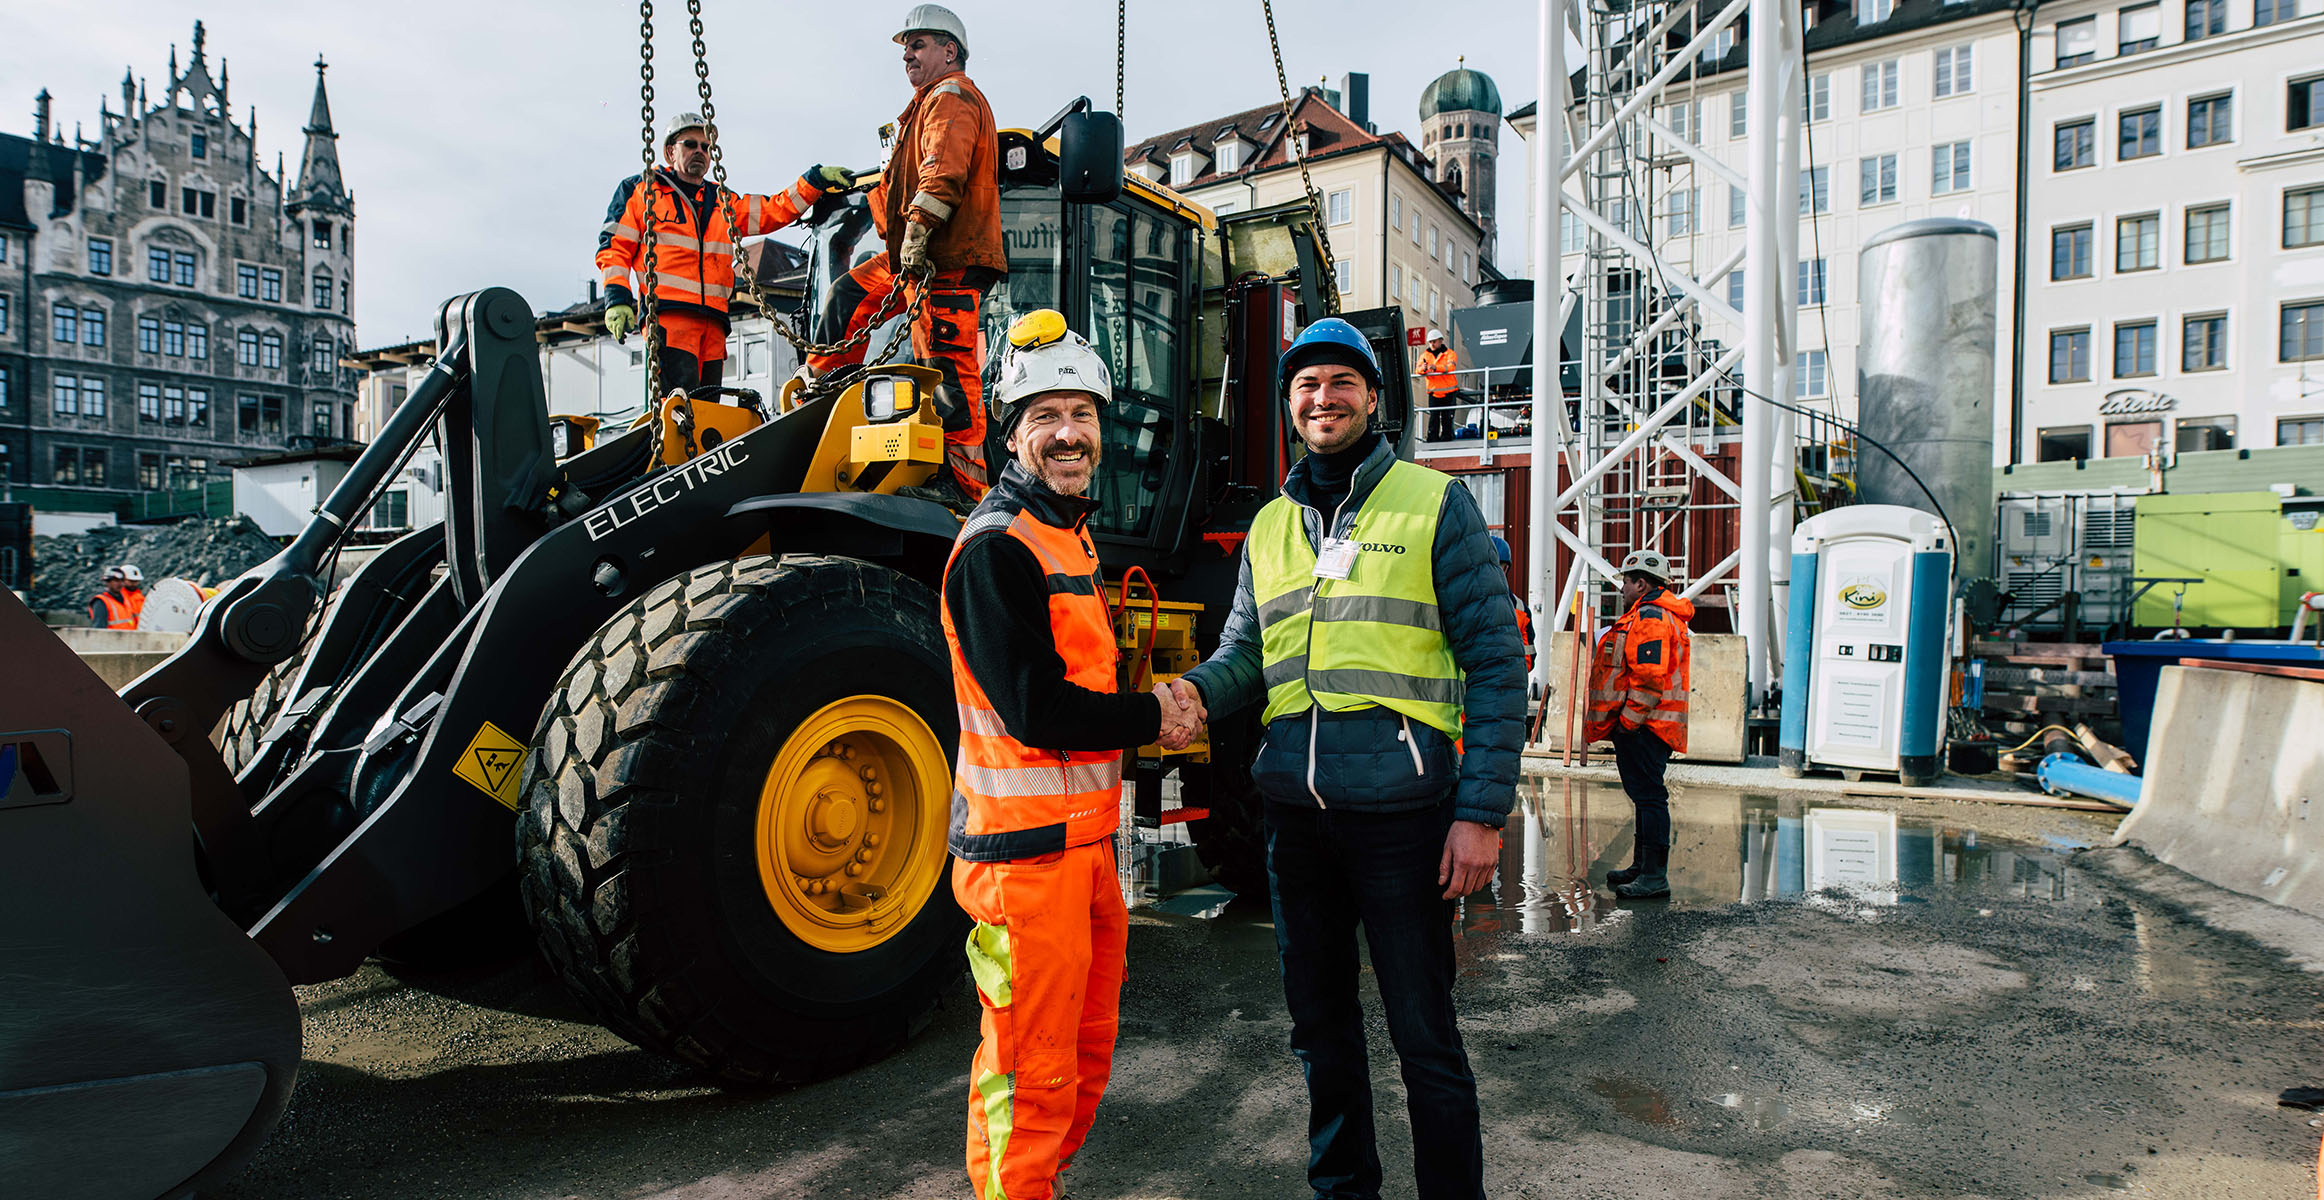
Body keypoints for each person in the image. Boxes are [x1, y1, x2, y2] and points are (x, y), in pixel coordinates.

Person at [1174, 317, 1524, 1200]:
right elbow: (1246, 653)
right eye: (1305, 386)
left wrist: (1479, 816)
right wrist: (1191, 696)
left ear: (1372, 397)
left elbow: (1495, 663)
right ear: (1290, 405)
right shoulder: (1270, 527)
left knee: (1424, 1037)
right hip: (1297, 821)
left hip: (1404, 815)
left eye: (1339, 383)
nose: (1321, 399)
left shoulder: (1434, 503)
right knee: (1319, 1032)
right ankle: (1344, 1191)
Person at [942, 308, 1200, 1200]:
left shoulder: (1067, 533)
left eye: (1082, 414)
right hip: (1026, 862)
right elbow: (1035, 708)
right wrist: (1153, 716)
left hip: (1080, 848)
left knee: (1077, 1059)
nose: (1068, 433)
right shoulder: (997, 547)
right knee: (1030, 1072)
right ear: (1012, 434)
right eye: (1045, 415)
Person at [808, 3, 1003, 507]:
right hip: (914, 258)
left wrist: (917, 230)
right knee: (848, 294)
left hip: (945, 258)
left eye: (917, 45)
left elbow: (942, 171)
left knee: (947, 371)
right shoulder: (923, 107)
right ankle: (823, 397)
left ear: (949, 50)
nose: (908, 56)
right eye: (905, 49)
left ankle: (965, 488)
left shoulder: (951, 98)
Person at [596, 111, 849, 396]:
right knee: (678, 411)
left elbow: (771, 211)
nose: (700, 152)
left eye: (706, 147)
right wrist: (617, 299)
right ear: (670, 151)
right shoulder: (642, 190)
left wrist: (813, 181)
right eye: (690, 145)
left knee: (709, 417)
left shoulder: (721, 201)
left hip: (714, 324)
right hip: (670, 320)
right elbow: (615, 247)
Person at [1588, 550, 1693, 900]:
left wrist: (1628, 724)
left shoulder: (1650, 617)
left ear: (1641, 583)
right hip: (1653, 725)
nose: (1621, 588)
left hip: (1647, 726)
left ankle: (1653, 876)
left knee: (1650, 799)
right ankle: (1642, 867)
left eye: (1626, 581)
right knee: (1644, 798)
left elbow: (1649, 679)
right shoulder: (1657, 615)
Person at [1490, 535, 1535, 677]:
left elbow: (1529, 658)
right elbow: (1529, 661)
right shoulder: (1520, 608)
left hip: (1481, 686)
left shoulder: (1521, 609)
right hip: (1507, 686)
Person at [1415, 328, 1461, 443]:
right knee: (1434, 417)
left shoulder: (1450, 354)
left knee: (1447, 417)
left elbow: (1450, 367)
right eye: (1430, 342)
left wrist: (1436, 368)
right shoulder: (1425, 355)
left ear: (1440, 341)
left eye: (1434, 341)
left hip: (1449, 392)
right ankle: (1432, 438)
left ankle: (1447, 437)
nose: (1432, 344)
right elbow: (1418, 370)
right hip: (1434, 392)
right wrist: (1423, 369)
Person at [88, 564, 145, 629]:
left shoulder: (126, 600)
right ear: (108, 582)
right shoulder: (101, 601)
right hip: (112, 638)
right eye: (116, 581)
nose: (120, 584)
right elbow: (99, 628)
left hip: (129, 638)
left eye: (122, 581)